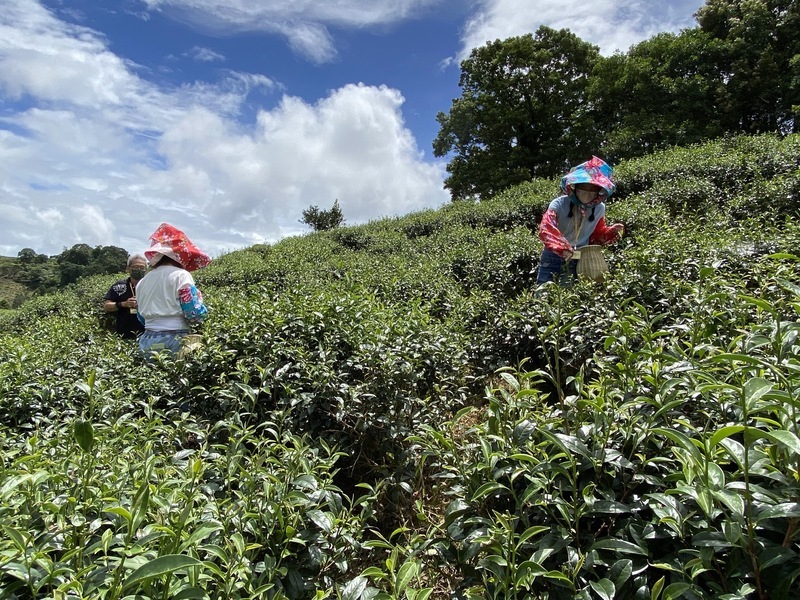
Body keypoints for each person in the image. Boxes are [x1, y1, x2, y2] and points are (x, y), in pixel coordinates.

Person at [536, 156, 625, 285]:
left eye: (593, 189)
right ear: (575, 187)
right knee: (543, 292)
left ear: (599, 191)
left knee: (567, 293)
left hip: (579, 258)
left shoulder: (599, 209)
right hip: (553, 256)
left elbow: (596, 235)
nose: (587, 193)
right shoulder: (559, 204)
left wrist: (611, 232)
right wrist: (562, 247)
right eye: (584, 187)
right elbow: (547, 227)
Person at [135, 223, 211, 358]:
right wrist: (199, 300)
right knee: (175, 376)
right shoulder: (181, 275)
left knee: (151, 377)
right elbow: (194, 313)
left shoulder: (142, 282)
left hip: (146, 339)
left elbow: (141, 316)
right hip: (174, 338)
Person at [103, 254, 148, 339]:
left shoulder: (151, 286)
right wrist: (123, 304)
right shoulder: (119, 286)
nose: (139, 270)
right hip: (124, 335)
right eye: (135, 267)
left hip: (147, 334)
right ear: (128, 268)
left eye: (142, 268)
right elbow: (106, 306)